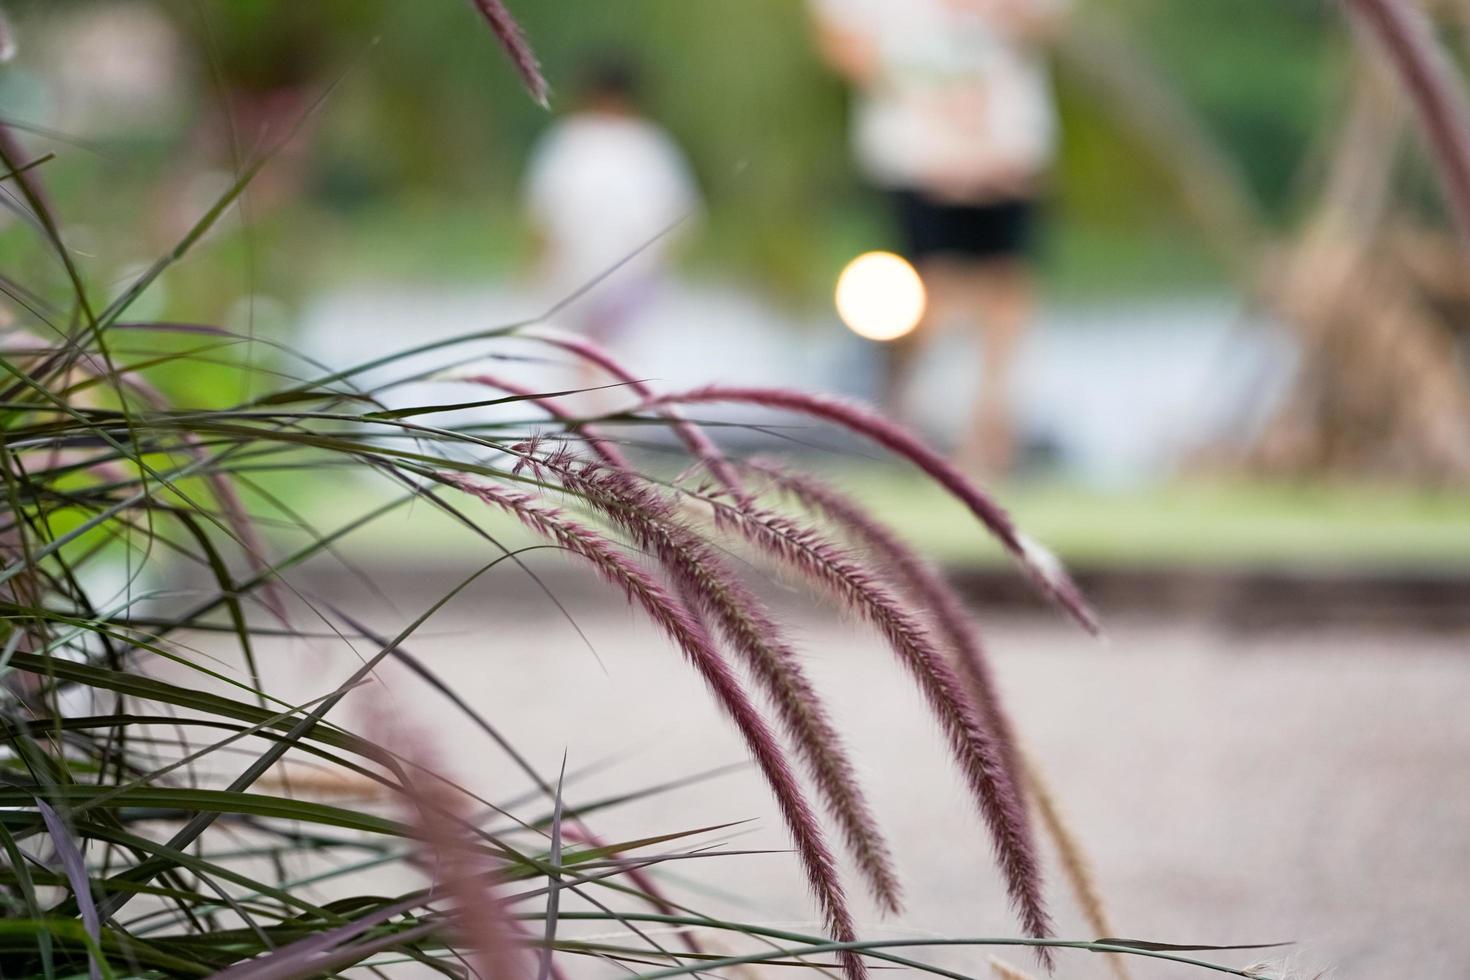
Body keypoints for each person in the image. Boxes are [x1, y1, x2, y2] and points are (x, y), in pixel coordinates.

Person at [811, 0, 1067, 475]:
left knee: (1007, 294)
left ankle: (989, 438)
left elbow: (1049, 22)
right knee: (921, 295)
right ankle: (904, 424)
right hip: (916, 152)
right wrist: (928, 98)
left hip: (1008, 150)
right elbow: (841, 41)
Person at [522, 53, 701, 350]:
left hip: (574, 284)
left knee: (580, 367)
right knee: (619, 368)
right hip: (635, 290)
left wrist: (536, 280)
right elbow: (682, 228)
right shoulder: (654, 147)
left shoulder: (567, 141)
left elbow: (542, 226)